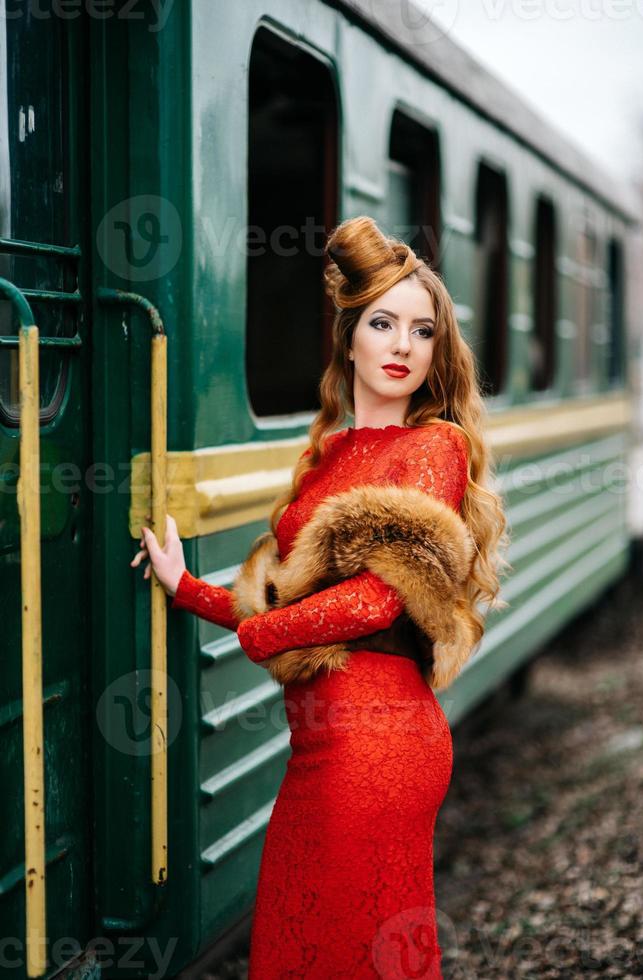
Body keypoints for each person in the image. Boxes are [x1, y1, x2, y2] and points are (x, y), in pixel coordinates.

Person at [131, 216, 509, 978]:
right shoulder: (332, 453)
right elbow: (276, 592)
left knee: (347, 953)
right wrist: (187, 588)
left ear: (438, 351)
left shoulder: (432, 446)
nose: (402, 345)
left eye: (422, 330)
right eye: (383, 323)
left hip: (382, 741)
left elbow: (377, 602)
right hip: (320, 746)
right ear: (351, 337)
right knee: (298, 946)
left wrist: (260, 636)